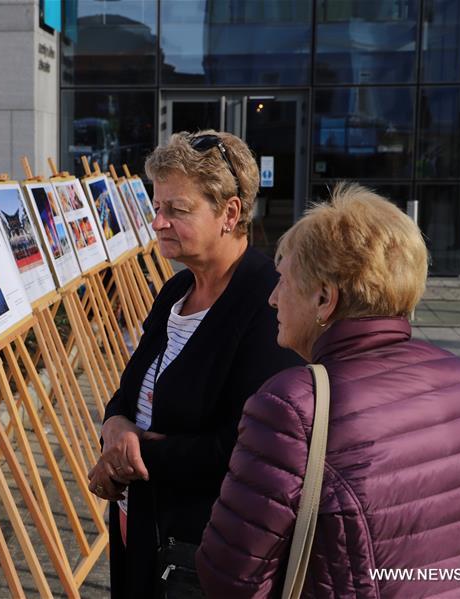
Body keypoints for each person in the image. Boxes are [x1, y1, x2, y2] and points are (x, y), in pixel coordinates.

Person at [196, 183, 460, 597]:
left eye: (283, 281)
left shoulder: (293, 403)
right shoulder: (453, 376)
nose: (271, 298)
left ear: (325, 299)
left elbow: (230, 574)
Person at [87, 130, 302, 597]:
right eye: (157, 206)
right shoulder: (175, 291)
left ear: (230, 213)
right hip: (142, 523)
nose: (158, 222)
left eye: (177, 210)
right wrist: (115, 425)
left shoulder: (267, 300)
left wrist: (130, 458)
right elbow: (130, 389)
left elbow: (246, 445)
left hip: (202, 549)